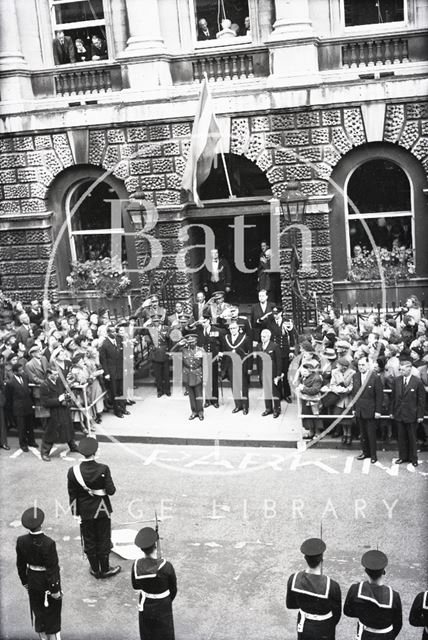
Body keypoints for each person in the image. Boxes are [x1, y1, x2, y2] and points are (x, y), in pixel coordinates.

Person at [67, 436, 121, 579]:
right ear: (95, 452)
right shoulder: (103, 468)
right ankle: (105, 569)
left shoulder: (73, 471)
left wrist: (75, 514)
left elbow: (72, 495)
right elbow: (111, 491)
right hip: (102, 510)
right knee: (103, 538)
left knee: (89, 539)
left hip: (85, 511)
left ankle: (95, 569)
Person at [16, 507, 62, 640]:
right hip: (47, 584)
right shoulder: (48, 543)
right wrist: (55, 589)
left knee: (39, 614)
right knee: (52, 617)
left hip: (32, 581)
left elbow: (20, 564)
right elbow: (52, 568)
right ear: (41, 524)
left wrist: (25, 582)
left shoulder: (21, 541)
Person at [286, 537, 341, 639]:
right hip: (325, 628)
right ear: (322, 559)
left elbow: (290, 604)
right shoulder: (332, 585)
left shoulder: (293, 579)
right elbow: (337, 615)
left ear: (305, 558)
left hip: (304, 625)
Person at [344, 550, 402, 639]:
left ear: (366, 571)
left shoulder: (355, 589)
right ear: (383, 572)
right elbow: (398, 624)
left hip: (365, 635)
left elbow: (347, 611)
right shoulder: (394, 596)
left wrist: (363, 615)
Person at [132, 527, 177, 640]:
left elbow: (135, 585)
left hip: (146, 603)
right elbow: (173, 589)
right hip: (163, 604)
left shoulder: (136, 565)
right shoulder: (166, 566)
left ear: (141, 549)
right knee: (165, 632)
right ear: (155, 546)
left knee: (148, 632)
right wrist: (166, 600)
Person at [391, 356, 425, 467]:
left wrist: (420, 415)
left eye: (403, 369)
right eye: (400, 369)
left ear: (410, 369)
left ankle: (413, 458)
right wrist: (392, 412)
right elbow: (393, 398)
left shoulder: (417, 382)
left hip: (412, 414)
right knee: (401, 437)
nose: (401, 371)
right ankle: (402, 457)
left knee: (412, 437)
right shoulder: (397, 381)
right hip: (399, 414)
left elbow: (421, 400)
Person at [39, 366, 78, 462]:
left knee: (68, 428)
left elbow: (66, 389)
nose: (57, 376)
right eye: (54, 374)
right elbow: (45, 402)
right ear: (48, 374)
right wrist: (59, 399)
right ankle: (44, 452)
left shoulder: (59, 381)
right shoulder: (44, 385)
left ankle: (72, 446)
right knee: (51, 432)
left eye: (57, 374)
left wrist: (67, 395)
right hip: (53, 412)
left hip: (63, 409)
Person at [351, 356, 383, 464]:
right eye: (359, 365)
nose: (361, 367)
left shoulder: (375, 377)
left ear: (368, 365)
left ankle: (373, 455)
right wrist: (354, 409)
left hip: (371, 410)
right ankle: (365, 452)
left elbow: (379, 396)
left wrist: (378, 411)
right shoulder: (355, 376)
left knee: (371, 434)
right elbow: (354, 394)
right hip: (359, 409)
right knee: (363, 434)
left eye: (363, 365)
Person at [220, 320, 253, 415]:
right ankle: (238, 405)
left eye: (234, 328)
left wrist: (249, 367)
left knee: (243, 387)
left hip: (242, 366)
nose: (232, 330)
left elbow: (249, 354)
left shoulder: (245, 338)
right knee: (234, 387)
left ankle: (245, 407)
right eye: (230, 328)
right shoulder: (226, 338)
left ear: (238, 328)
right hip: (230, 366)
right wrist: (223, 368)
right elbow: (224, 352)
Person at [6, 362, 38, 452]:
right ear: (15, 372)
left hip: (27, 405)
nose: (22, 371)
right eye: (20, 370)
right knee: (21, 427)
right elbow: (9, 398)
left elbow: (28, 390)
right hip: (18, 407)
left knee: (30, 425)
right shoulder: (10, 383)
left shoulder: (25, 377)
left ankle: (31, 441)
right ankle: (23, 444)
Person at [99, 325, 128, 418]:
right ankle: (117, 410)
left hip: (120, 369)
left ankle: (123, 408)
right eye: (111, 332)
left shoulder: (118, 341)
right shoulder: (104, 345)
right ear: (108, 333)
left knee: (122, 390)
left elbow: (122, 355)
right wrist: (106, 373)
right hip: (111, 371)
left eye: (115, 331)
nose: (114, 333)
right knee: (114, 391)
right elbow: (103, 360)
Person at [196, 313, 224, 408]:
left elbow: (222, 344)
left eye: (205, 321)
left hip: (214, 358)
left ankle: (215, 400)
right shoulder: (200, 331)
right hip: (204, 359)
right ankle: (207, 400)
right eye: (202, 322)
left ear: (210, 321)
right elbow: (199, 344)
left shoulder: (217, 331)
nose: (203, 323)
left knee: (214, 380)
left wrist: (221, 353)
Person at [255, 328, 282, 418]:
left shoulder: (274, 346)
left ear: (269, 337)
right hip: (263, 372)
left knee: (275, 392)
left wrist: (278, 375)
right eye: (261, 336)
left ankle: (277, 409)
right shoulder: (259, 346)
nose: (262, 338)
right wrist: (259, 373)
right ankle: (268, 408)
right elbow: (258, 361)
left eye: (264, 336)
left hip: (272, 373)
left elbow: (279, 361)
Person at [143, 314, 171, 398]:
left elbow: (169, 340)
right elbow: (144, 335)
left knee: (166, 374)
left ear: (160, 321)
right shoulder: (150, 329)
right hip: (155, 353)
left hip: (164, 352)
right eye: (154, 321)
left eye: (157, 321)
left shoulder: (166, 328)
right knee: (158, 374)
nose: (156, 322)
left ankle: (167, 390)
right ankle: (160, 391)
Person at [180, 334, 204, 420]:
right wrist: (179, 344)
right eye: (189, 342)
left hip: (197, 374)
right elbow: (172, 351)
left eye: (193, 342)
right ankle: (194, 412)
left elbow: (206, 363)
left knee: (198, 394)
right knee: (191, 395)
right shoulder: (184, 350)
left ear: (196, 341)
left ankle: (200, 412)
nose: (191, 343)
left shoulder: (201, 350)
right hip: (187, 375)